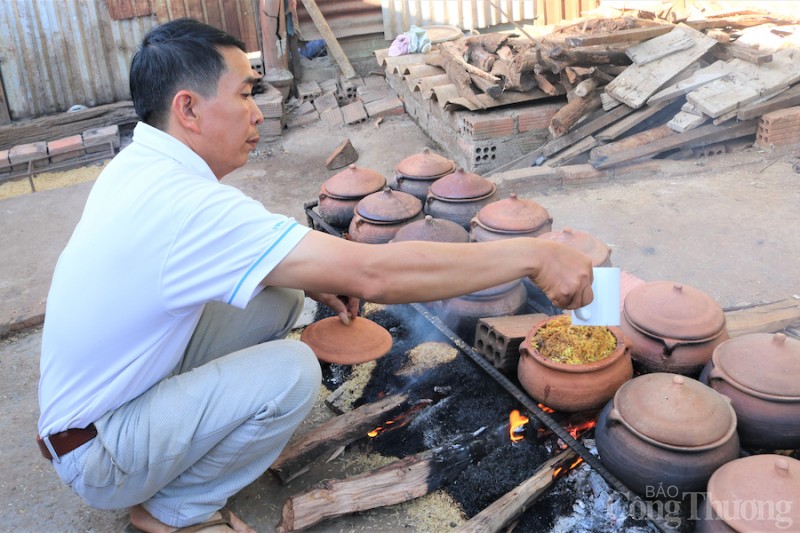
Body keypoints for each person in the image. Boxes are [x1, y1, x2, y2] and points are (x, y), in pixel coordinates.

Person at [37, 18, 594, 533]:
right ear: (188, 108)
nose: (258, 110)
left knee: (278, 295)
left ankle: (169, 456)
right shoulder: (188, 208)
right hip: (100, 454)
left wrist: (306, 275)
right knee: (292, 371)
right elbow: (374, 270)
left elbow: (275, 257)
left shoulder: (141, 166)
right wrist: (533, 256)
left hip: (91, 421)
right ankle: (176, 510)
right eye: (245, 93)